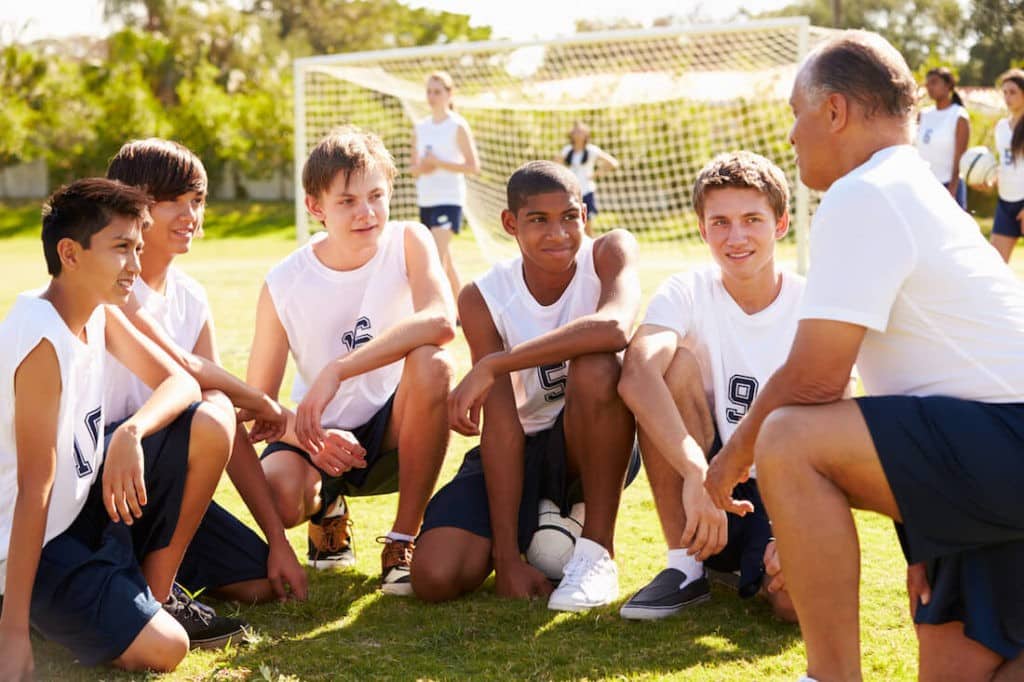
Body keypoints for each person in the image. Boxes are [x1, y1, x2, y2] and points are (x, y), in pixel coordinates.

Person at [704, 30, 1024, 682]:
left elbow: (816, 381)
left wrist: (729, 461)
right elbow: (923, 385)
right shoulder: (908, 186)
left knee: (788, 437)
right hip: (986, 478)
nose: (791, 135)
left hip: (1007, 448)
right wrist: (924, 530)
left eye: (796, 113)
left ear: (834, 112)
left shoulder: (866, 191)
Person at [0, 179, 241, 678]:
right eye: (121, 249)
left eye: (137, 247)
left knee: (204, 421)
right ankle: (29, 617)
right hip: (30, 545)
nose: (135, 265)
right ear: (70, 253)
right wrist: (13, 633)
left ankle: (142, 594)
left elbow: (180, 383)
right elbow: (32, 491)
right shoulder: (41, 339)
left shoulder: (98, 313)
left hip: (81, 512)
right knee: (167, 649)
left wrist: (131, 432)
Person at [411, 160, 642, 612]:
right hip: (518, 442)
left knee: (596, 366)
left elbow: (615, 328)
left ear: (584, 216)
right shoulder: (484, 296)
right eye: (539, 220)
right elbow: (501, 427)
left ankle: (596, 551)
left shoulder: (610, 252)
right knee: (435, 576)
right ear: (510, 223)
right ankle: (543, 523)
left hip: (589, 440)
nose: (558, 233)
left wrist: (497, 364)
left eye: (569, 217)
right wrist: (506, 558)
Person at [250, 127, 455, 596]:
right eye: (347, 201)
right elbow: (255, 402)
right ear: (315, 207)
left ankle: (403, 540)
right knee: (279, 497)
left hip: (394, 429)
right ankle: (327, 511)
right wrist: (308, 436)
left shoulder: (409, 240)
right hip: (316, 438)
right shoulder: (284, 281)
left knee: (433, 362)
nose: (366, 213)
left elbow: (442, 320)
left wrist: (338, 368)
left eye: (376, 196)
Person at [105, 138, 307, 605]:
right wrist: (263, 403)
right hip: (107, 469)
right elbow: (185, 370)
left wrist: (278, 540)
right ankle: (158, 597)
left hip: (159, 479)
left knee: (259, 581)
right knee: (214, 405)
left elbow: (225, 422)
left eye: (196, 200)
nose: (189, 215)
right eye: (171, 201)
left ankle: (147, 567)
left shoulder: (191, 296)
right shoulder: (113, 282)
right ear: (130, 204)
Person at [617, 151, 797, 623]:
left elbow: (832, 423)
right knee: (671, 363)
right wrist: (700, 473)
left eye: (751, 220)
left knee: (793, 605)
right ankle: (685, 566)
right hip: (702, 492)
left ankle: (762, 563)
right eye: (720, 222)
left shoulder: (811, 302)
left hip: (782, 487)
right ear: (702, 229)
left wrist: (798, 529)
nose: (735, 237)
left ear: (780, 224)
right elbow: (636, 372)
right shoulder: (688, 290)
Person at [411, 71, 480, 307]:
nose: (432, 96)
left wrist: (439, 163)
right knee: (445, 260)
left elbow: (473, 166)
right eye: (429, 91)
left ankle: (437, 313)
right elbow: (413, 168)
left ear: (450, 94)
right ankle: (463, 311)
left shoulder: (457, 125)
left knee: (434, 260)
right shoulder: (420, 127)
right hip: (426, 200)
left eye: (437, 91)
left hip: (449, 199)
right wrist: (424, 168)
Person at [915, 67, 970, 210]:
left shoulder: (959, 116)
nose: (929, 87)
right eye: (927, 84)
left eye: (934, 82)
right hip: (924, 185)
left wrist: (952, 190)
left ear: (948, 86)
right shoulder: (923, 114)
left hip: (948, 185)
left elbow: (960, 158)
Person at [558, 121, 620, 237]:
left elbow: (613, 163)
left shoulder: (592, 150)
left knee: (587, 223)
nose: (578, 133)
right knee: (570, 223)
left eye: (581, 131)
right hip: (570, 191)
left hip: (586, 190)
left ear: (586, 134)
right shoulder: (567, 151)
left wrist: (596, 174)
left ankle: (590, 249)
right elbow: (554, 165)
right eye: (575, 130)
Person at [988, 69, 1024, 263]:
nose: (1007, 97)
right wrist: (990, 181)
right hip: (1005, 201)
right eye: (1005, 92)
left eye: (1013, 92)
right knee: (996, 265)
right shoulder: (1001, 126)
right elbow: (1005, 163)